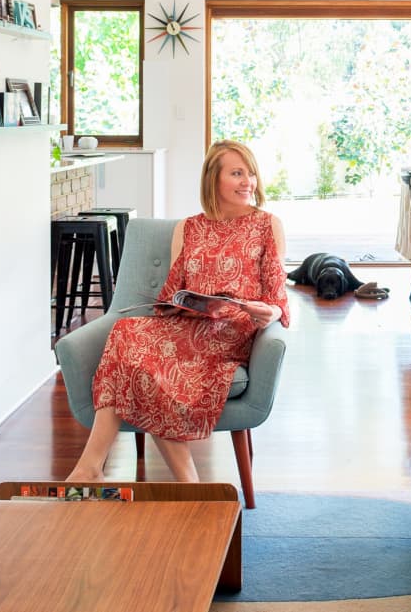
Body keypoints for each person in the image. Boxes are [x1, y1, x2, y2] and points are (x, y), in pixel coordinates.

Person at [67, 139, 289, 482]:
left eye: (251, 174)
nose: (248, 182)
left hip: (229, 335)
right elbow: (172, 295)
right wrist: (183, 304)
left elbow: (277, 299)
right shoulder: (187, 228)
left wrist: (268, 313)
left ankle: (90, 469)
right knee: (126, 333)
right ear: (213, 179)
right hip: (185, 328)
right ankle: (176, 483)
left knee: (139, 361)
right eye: (237, 173)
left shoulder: (266, 225)